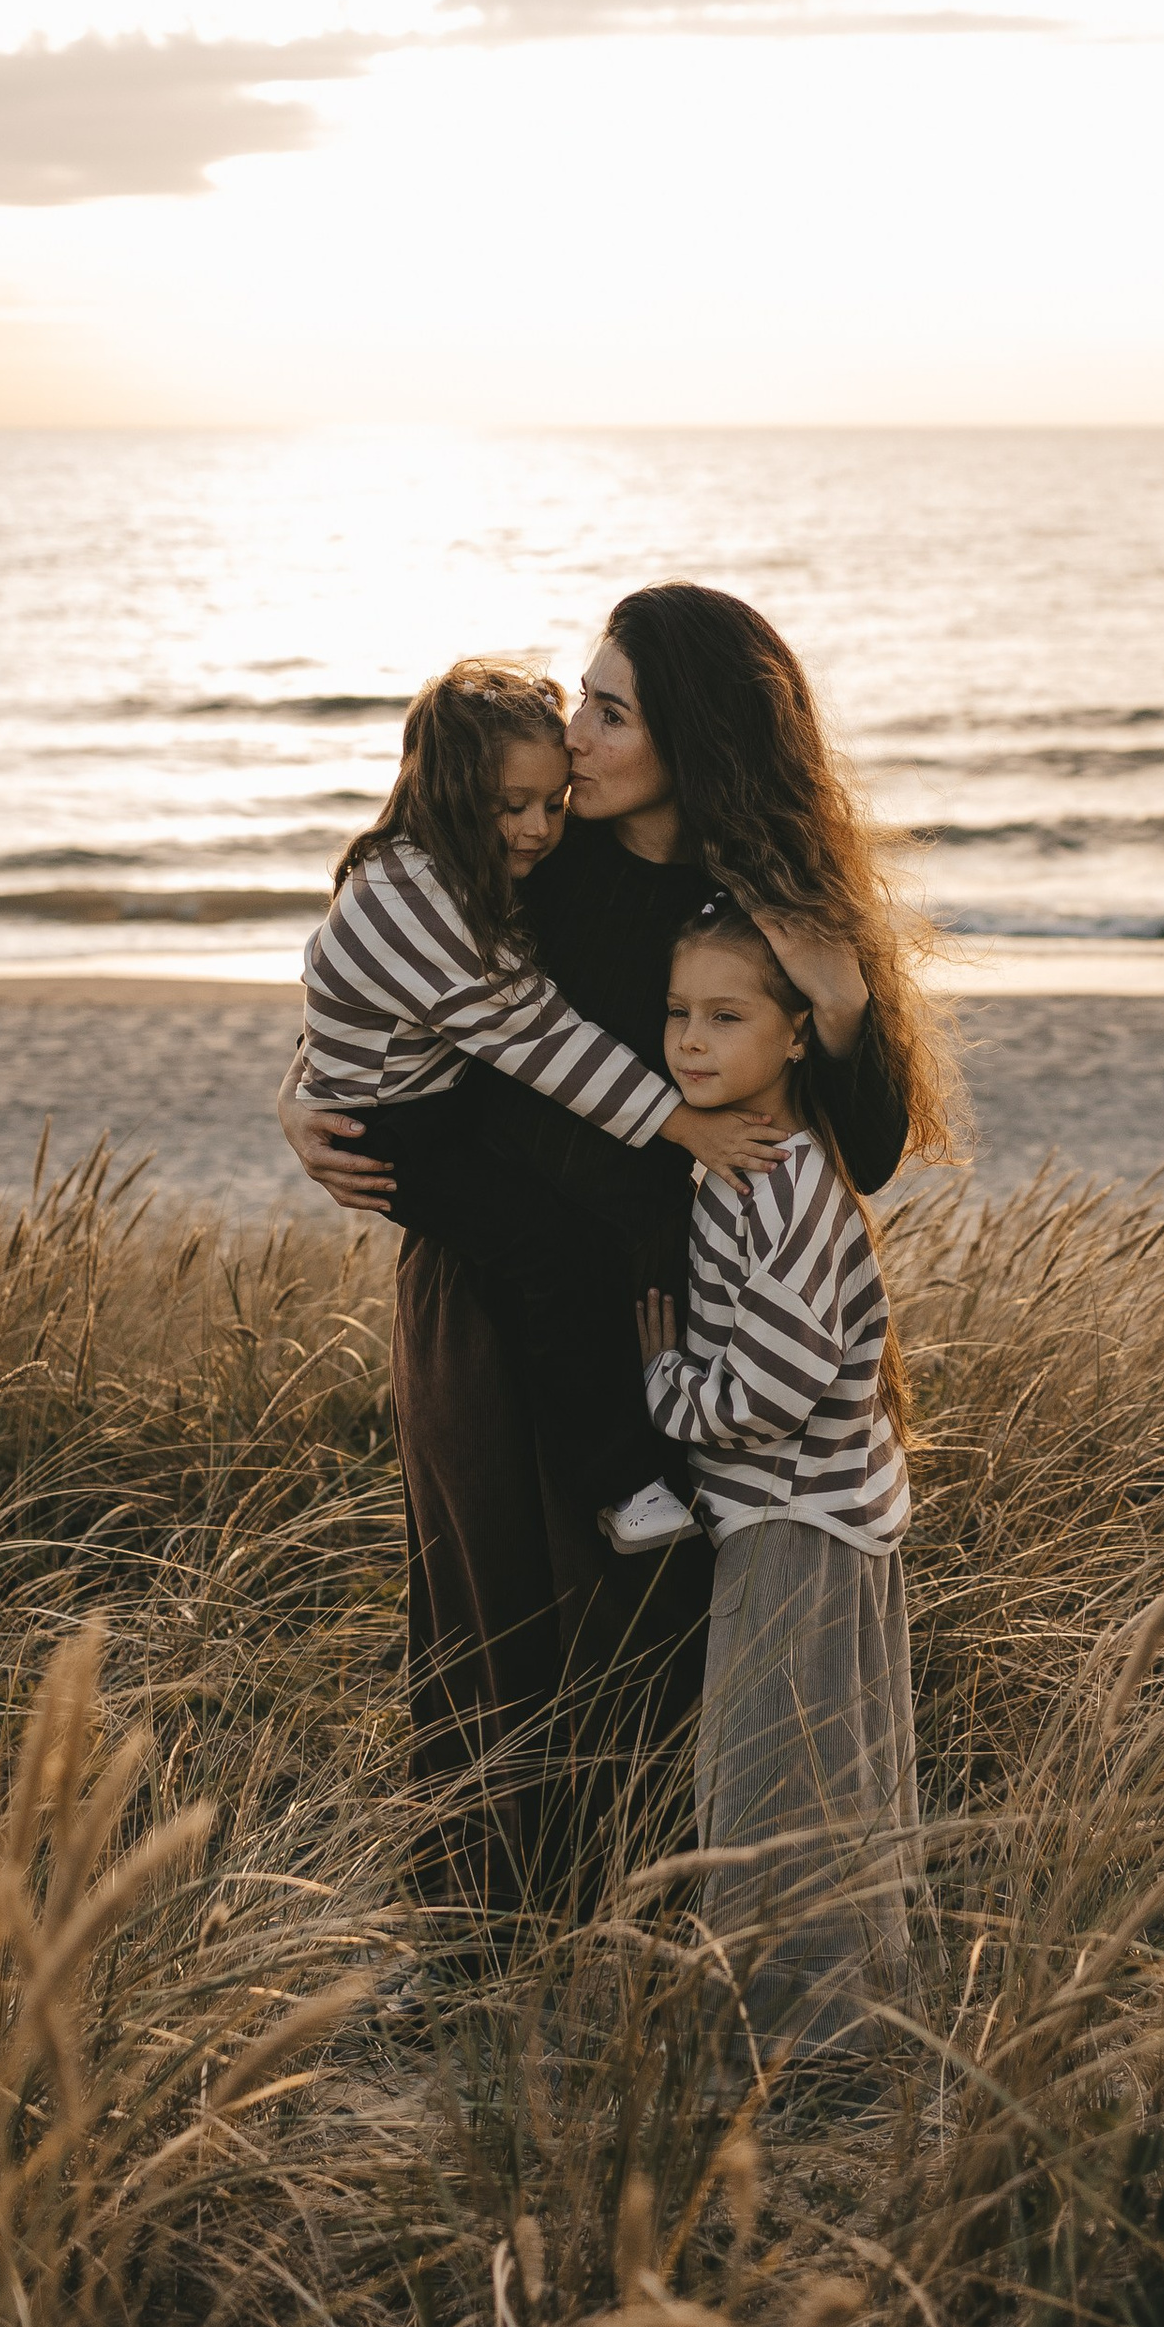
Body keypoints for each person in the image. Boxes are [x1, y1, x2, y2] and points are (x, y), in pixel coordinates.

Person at [281, 584, 959, 1941]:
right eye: (582, 701)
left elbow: (876, 1147)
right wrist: (304, 1093)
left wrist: (839, 997)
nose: (573, 736)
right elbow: (385, 975)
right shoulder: (534, 849)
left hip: (670, 1308)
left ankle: (644, 1952)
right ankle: (479, 1951)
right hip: (487, 1291)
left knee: (654, 1640)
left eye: (609, 712)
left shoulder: (763, 898)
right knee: (488, 1628)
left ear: (689, 737)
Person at [285, 656, 787, 1550]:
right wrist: (686, 1126)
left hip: (419, 1104)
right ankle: (623, 1488)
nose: (537, 829)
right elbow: (547, 1043)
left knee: (554, 1253)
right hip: (401, 1130)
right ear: (447, 793)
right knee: (553, 1256)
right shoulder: (418, 896)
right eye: (509, 806)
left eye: (552, 803)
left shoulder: (440, 868)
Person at [638, 900, 918, 2081]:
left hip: (796, 1518)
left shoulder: (785, 1181)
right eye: (677, 1014)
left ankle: (799, 2044)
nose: (690, 1040)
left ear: (797, 1034)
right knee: (805, 1769)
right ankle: (811, 2029)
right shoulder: (745, 1161)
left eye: (726, 1016)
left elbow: (779, 1382)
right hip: (795, 1508)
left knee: (775, 1781)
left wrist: (669, 1391)